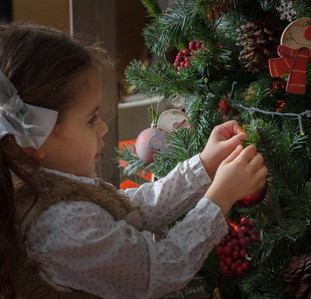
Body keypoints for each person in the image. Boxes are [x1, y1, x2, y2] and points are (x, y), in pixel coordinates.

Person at [0, 22, 268, 299]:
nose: (103, 127)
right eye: (90, 119)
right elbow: (160, 268)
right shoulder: (65, 226)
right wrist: (220, 198)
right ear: (35, 141)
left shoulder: (48, 183)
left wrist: (203, 166)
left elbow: (133, 208)